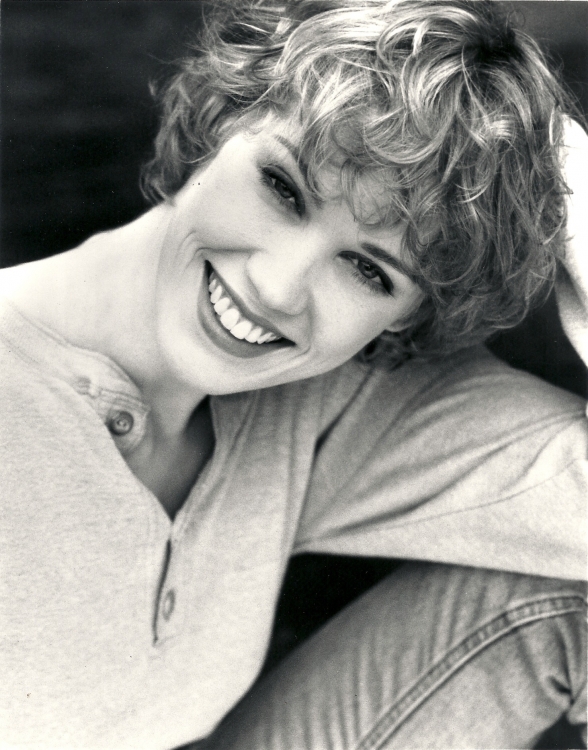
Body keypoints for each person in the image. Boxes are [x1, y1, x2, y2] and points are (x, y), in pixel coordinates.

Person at [0, 0, 586, 748]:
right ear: (222, 119)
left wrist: (560, 168)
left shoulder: (316, 400)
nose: (278, 288)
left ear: (407, 315)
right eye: (282, 188)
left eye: (368, 271)